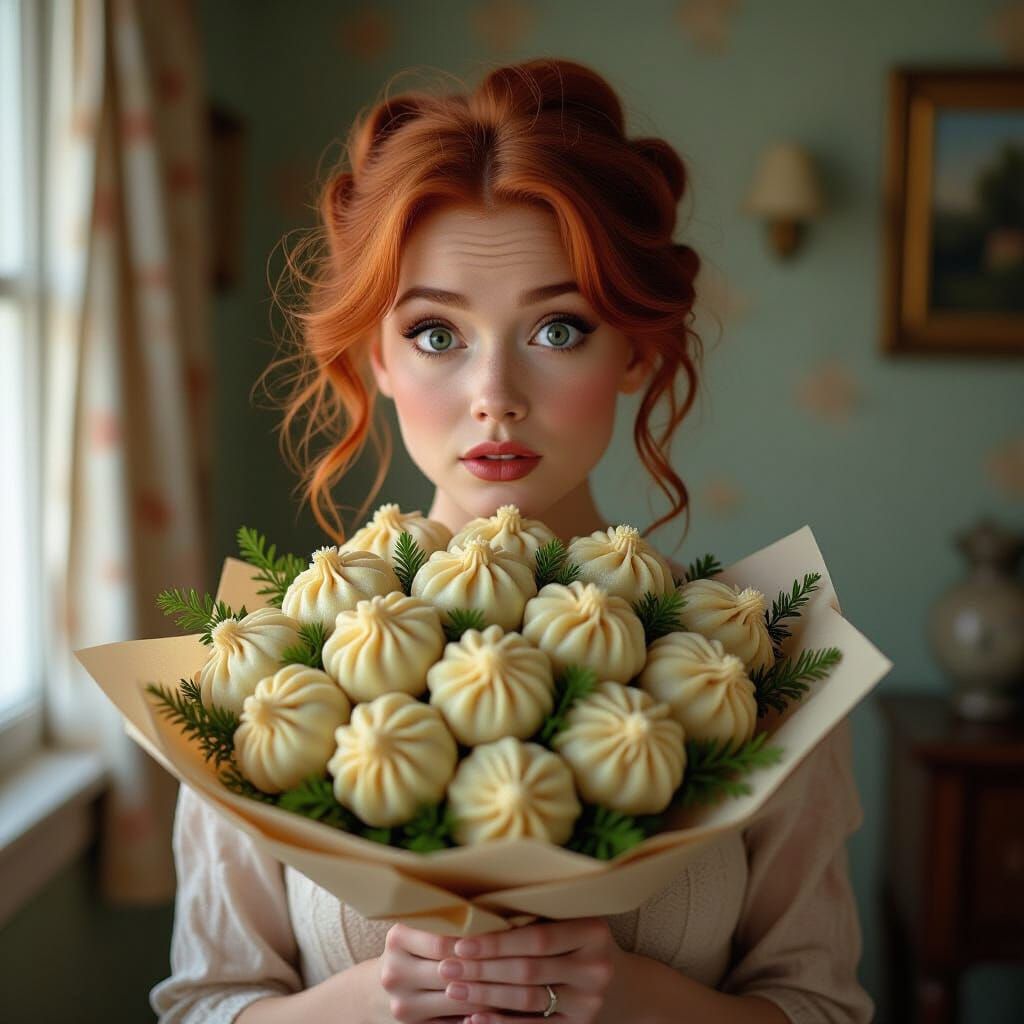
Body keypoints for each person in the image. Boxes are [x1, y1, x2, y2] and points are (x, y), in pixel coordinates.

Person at [151, 58, 874, 1024]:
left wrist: (636, 999)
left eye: (558, 329)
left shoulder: (756, 666)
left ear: (635, 349)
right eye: (436, 334)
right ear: (377, 353)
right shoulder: (261, 666)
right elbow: (202, 1006)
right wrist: (373, 1000)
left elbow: (824, 1009)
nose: (495, 395)